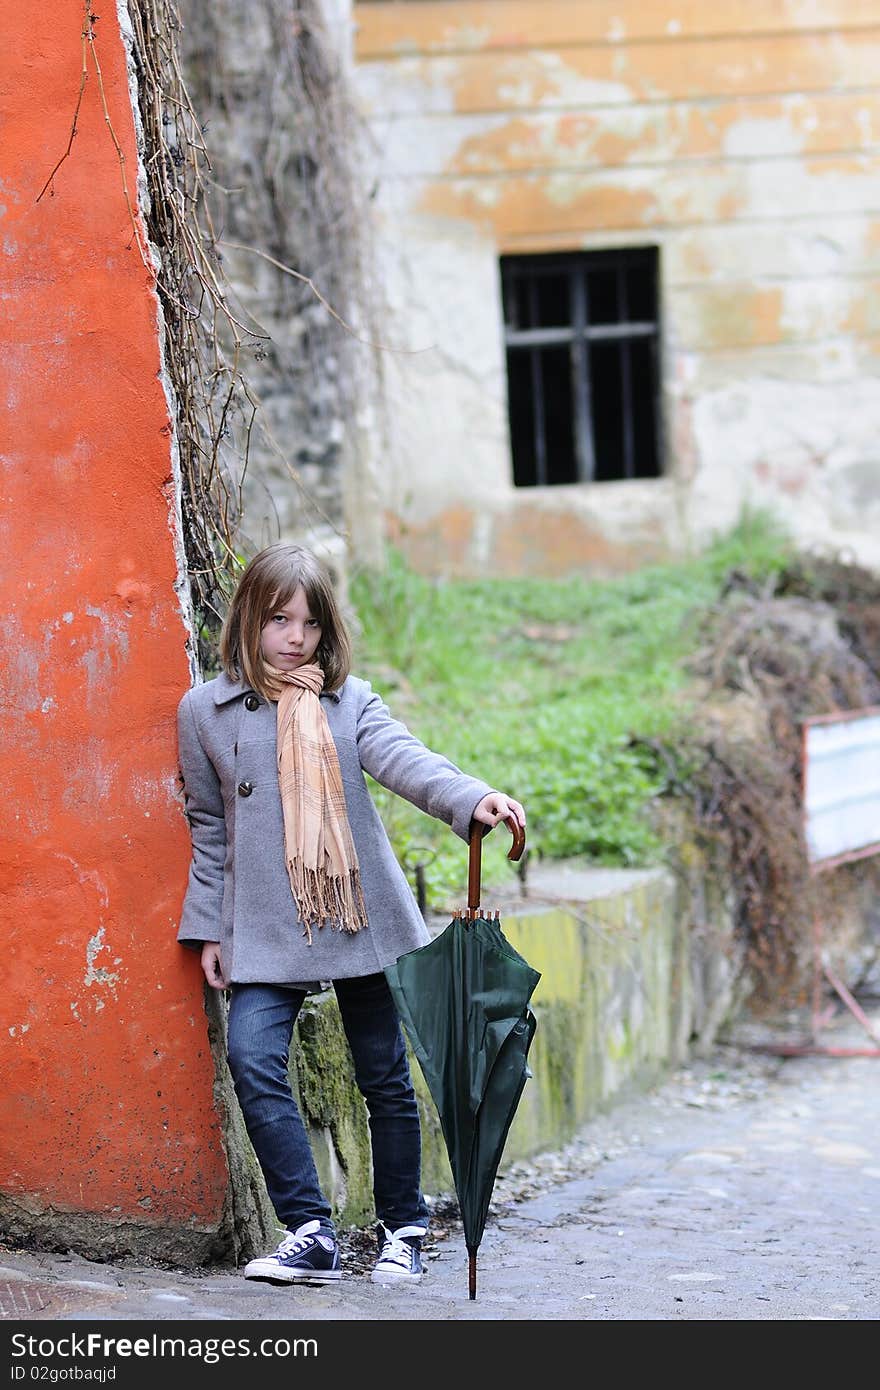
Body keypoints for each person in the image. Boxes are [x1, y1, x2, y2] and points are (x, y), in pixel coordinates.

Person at [175, 542, 526, 1287]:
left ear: (326, 629)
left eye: (308, 622)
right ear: (248, 619)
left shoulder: (348, 702)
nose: (294, 637)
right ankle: (310, 1230)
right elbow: (210, 830)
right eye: (278, 619)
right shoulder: (204, 712)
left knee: (384, 1078)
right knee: (251, 1056)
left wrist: (472, 799)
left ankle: (402, 1225)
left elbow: (406, 760)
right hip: (266, 924)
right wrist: (208, 926)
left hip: (358, 914)